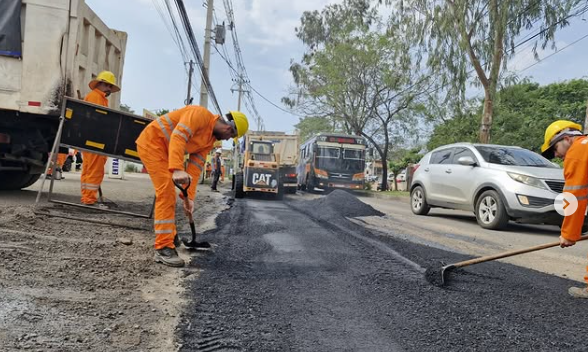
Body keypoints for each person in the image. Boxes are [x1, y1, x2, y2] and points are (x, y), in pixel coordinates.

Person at [136, 107, 248, 267]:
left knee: (171, 194)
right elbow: (178, 136)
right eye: (231, 136)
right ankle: (163, 248)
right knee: (166, 192)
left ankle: (171, 236)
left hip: (166, 151)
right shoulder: (199, 115)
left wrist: (189, 198)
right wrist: (177, 168)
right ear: (229, 128)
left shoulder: (209, 140)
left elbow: (195, 168)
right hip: (152, 143)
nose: (228, 139)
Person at [540, 120, 588, 298]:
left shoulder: (577, 152)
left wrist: (568, 234)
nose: (556, 155)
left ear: (566, 139)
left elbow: (575, 196)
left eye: (554, 148)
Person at [80, 71, 120, 206]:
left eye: (110, 87)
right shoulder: (95, 97)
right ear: (101, 84)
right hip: (94, 140)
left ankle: (87, 197)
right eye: (108, 86)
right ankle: (89, 199)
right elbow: (97, 120)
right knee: (94, 171)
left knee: (89, 169)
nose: (109, 89)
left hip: (93, 140)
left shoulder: (100, 98)